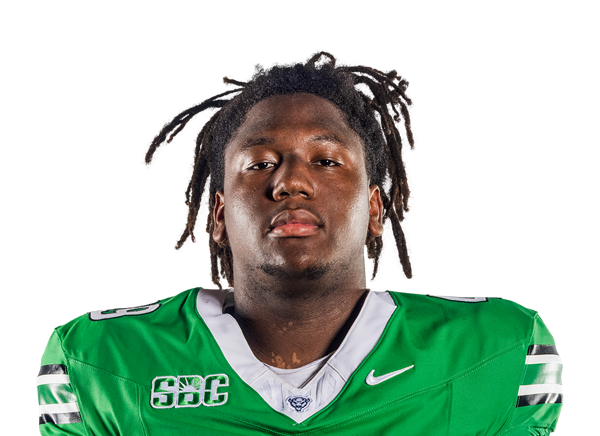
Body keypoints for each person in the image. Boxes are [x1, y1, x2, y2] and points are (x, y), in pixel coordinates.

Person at [36, 51, 563, 435]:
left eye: (326, 160)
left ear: (375, 209)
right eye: (260, 163)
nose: (290, 182)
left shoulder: (494, 351)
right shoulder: (102, 362)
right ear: (218, 216)